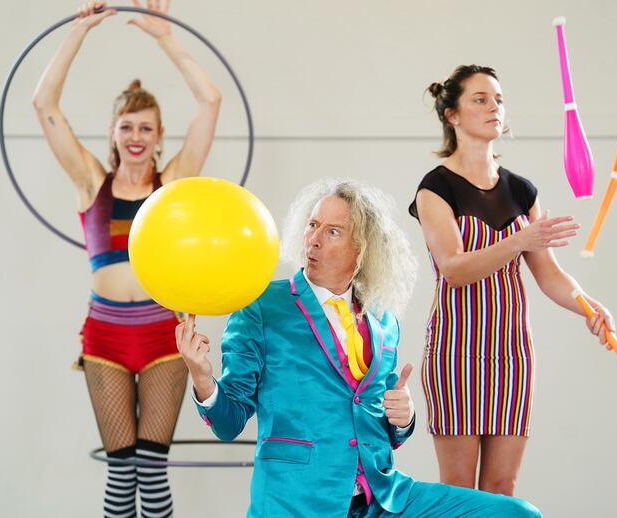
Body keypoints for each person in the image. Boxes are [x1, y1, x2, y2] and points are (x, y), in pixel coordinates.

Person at [176, 179, 542, 517]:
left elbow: (377, 426)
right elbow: (229, 421)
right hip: (297, 502)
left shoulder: (384, 321)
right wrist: (203, 377)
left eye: (333, 231)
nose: (314, 239)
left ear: (361, 249)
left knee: (516, 513)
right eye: (313, 225)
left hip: (384, 498)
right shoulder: (262, 305)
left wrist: (403, 418)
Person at [32, 1, 221, 516]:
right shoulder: (91, 182)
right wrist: (78, 31)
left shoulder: (173, 182)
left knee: (153, 475)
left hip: (164, 335)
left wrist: (166, 38)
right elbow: (43, 103)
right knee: (121, 476)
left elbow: (210, 102)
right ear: (113, 133)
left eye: (146, 128)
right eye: (126, 127)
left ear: (160, 136)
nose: (135, 137)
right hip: (106, 338)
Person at [410, 65, 615, 496]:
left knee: (502, 486)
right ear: (452, 115)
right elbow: (454, 268)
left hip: (512, 353)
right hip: (456, 350)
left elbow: (551, 276)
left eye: (499, 100)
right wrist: (520, 238)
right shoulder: (435, 188)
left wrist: (590, 308)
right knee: (459, 489)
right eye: (480, 99)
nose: (493, 108)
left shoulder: (522, 191)